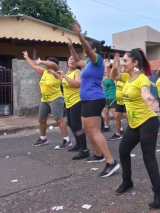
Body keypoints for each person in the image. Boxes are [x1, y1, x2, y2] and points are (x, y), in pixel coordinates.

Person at [110, 51, 160, 209]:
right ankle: (127, 181)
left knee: (148, 156)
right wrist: (116, 64)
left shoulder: (141, 78)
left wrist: (147, 96)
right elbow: (112, 76)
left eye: (125, 60)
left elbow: (144, 90)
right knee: (123, 150)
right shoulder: (125, 77)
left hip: (148, 121)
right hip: (134, 123)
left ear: (135, 63)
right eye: (122, 60)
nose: (123, 63)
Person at [68, 22, 119, 177]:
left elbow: (88, 50)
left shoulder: (96, 59)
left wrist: (79, 35)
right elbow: (77, 62)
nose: (84, 52)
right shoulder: (88, 63)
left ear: (94, 49)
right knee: (86, 128)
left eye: (87, 49)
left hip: (94, 99)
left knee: (94, 130)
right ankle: (98, 154)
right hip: (86, 99)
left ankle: (111, 162)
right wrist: (71, 47)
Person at [22, 52, 71, 149]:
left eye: (47, 63)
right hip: (44, 99)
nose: (46, 64)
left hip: (56, 98)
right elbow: (33, 65)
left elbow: (52, 65)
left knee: (58, 119)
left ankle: (67, 140)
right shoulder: (44, 72)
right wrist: (27, 57)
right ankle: (43, 138)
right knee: (41, 119)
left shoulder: (57, 72)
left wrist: (41, 61)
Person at [47, 56, 89, 160]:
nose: (72, 61)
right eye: (70, 59)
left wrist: (64, 76)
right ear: (67, 62)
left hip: (76, 101)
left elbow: (77, 84)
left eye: (74, 60)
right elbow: (64, 81)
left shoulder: (77, 72)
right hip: (69, 102)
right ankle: (78, 145)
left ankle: (84, 150)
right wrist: (55, 73)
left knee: (76, 125)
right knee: (70, 124)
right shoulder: (68, 73)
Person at [110, 64, 126, 141]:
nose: (122, 69)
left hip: (126, 102)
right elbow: (111, 76)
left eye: (123, 68)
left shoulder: (127, 78)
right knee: (117, 118)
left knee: (129, 119)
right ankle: (117, 134)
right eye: (121, 68)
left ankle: (134, 134)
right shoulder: (118, 79)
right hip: (119, 101)